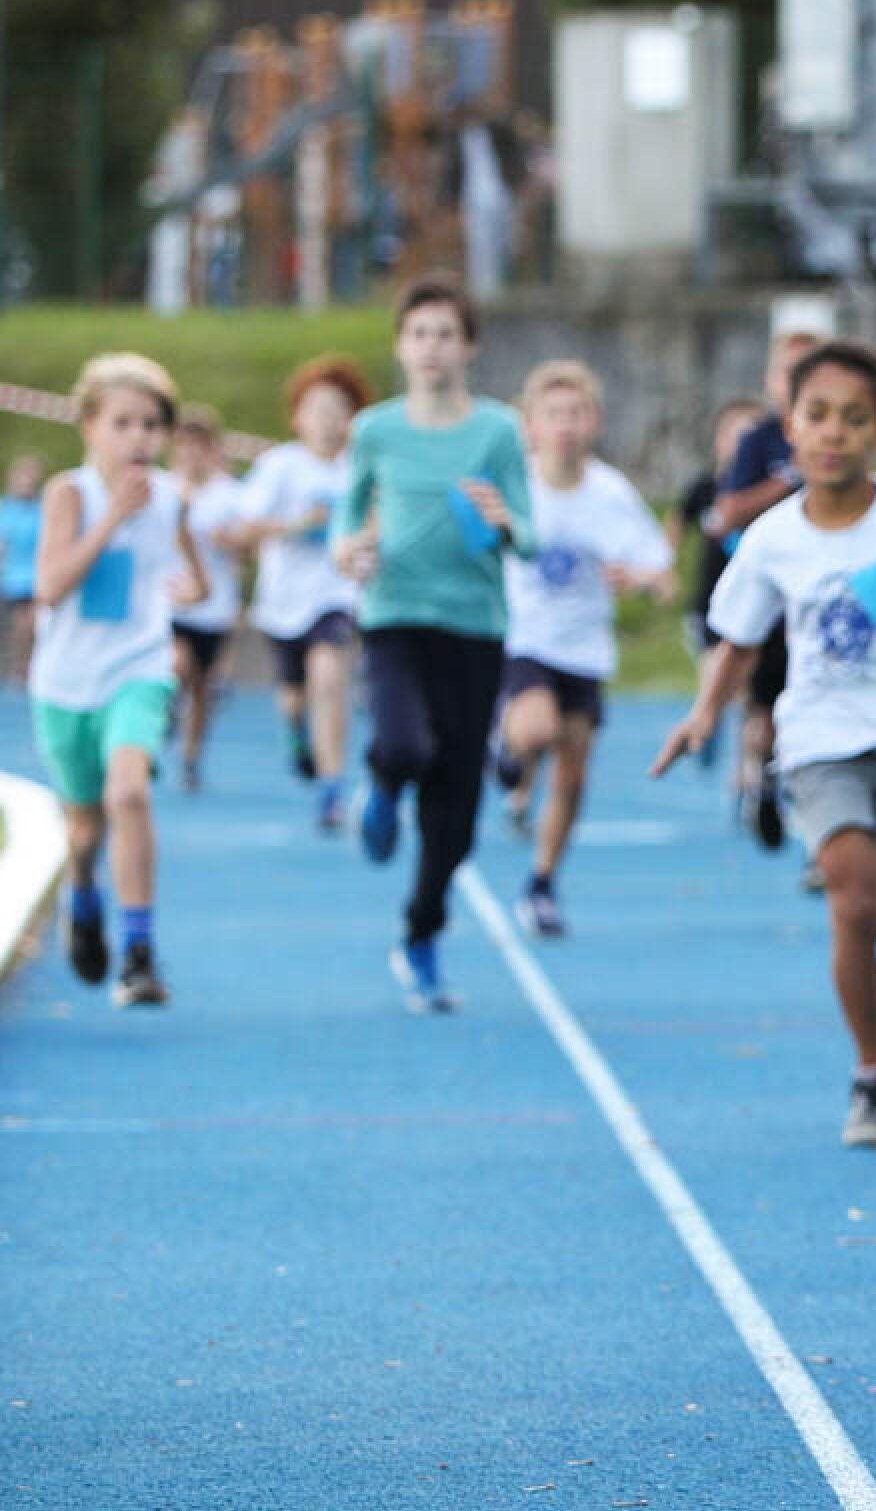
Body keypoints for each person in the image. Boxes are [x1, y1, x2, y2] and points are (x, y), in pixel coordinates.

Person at [650, 339, 876, 1150]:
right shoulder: (773, 538)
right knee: (852, 896)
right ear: (791, 428)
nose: (833, 433)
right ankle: (875, 1073)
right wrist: (705, 714)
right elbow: (740, 641)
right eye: (817, 415)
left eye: (854, 419)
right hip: (820, 738)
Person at [333, 274, 534, 1013]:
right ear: (401, 346)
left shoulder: (499, 431)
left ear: (470, 346)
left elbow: (530, 535)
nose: (432, 348)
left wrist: (506, 522)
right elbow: (346, 520)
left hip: (475, 628)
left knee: (455, 819)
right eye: (419, 333)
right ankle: (382, 786)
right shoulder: (375, 430)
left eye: (447, 334)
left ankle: (420, 933)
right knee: (403, 745)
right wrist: (348, 550)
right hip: (393, 617)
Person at [29, 353, 208, 1005]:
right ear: (90, 427)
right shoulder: (70, 493)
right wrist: (112, 519)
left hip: (139, 671)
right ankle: (83, 891)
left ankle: (139, 953)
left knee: (129, 793)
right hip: (66, 685)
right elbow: (50, 587)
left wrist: (194, 589)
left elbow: (198, 577)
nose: (139, 438)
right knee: (84, 831)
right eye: (123, 423)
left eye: (152, 425)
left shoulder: (172, 498)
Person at [496, 360, 673, 938]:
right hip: (524, 637)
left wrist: (638, 578)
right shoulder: (513, 486)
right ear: (531, 425)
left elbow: (659, 570)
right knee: (536, 730)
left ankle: (543, 882)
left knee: (572, 778)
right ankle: (507, 740)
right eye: (554, 414)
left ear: (595, 422)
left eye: (576, 414)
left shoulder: (610, 493)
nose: (565, 426)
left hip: (585, 649)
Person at [236, 356, 371, 833]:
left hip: (336, 595)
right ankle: (296, 732)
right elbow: (247, 528)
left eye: (338, 410)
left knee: (330, 678)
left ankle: (333, 787)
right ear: (298, 418)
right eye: (318, 410)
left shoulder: (360, 469)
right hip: (282, 602)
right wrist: (302, 523)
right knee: (293, 696)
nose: (328, 421)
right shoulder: (279, 466)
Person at [711, 329, 824, 852]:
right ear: (772, 381)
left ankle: (816, 818)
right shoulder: (759, 440)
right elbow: (730, 510)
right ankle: (765, 780)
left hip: (823, 596)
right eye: (790, 372)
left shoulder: (840, 436)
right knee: (767, 707)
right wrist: (787, 482)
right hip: (774, 595)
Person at [676, 396, 766, 765]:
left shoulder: (768, 491)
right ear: (718, 440)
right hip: (711, 604)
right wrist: (665, 563)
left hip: (756, 602)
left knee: (751, 691)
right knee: (715, 675)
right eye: (734, 435)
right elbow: (678, 521)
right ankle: (707, 718)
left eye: (750, 436)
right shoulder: (705, 487)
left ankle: (748, 769)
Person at [166, 405, 244, 793]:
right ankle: (163, 717)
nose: (192, 454)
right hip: (172, 601)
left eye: (200, 446)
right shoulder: (163, 488)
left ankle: (192, 755)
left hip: (214, 608)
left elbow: (246, 548)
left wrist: (231, 541)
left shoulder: (229, 494)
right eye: (185, 445)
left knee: (202, 688)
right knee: (176, 664)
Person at [1, 453, 46, 683]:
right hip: (11, 581)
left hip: (37, 581)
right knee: (20, 625)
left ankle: (26, 667)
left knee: (30, 623)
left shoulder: (43, 509)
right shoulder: (6, 510)